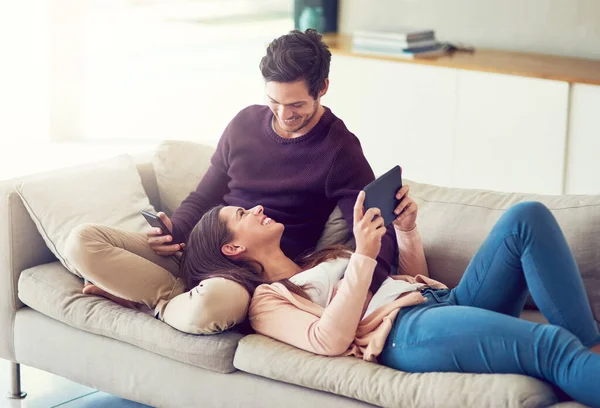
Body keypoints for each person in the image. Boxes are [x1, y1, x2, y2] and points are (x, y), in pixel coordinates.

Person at [65, 29, 397, 328]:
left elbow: (376, 225)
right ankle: (173, 295)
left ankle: (158, 300)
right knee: (81, 242)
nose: (283, 116)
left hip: (248, 274)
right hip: (199, 245)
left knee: (214, 305)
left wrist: (366, 288)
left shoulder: (339, 148)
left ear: (322, 88)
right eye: (274, 102)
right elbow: (205, 195)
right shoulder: (244, 124)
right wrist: (175, 229)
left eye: (296, 105)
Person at [181, 184, 600, 407]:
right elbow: (329, 340)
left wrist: (406, 229)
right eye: (240, 215)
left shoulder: (314, 259)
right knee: (549, 345)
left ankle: (591, 348)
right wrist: (363, 254)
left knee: (525, 218)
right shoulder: (267, 301)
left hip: (438, 302)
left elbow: (405, 281)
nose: (253, 209)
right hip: (407, 333)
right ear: (232, 248)